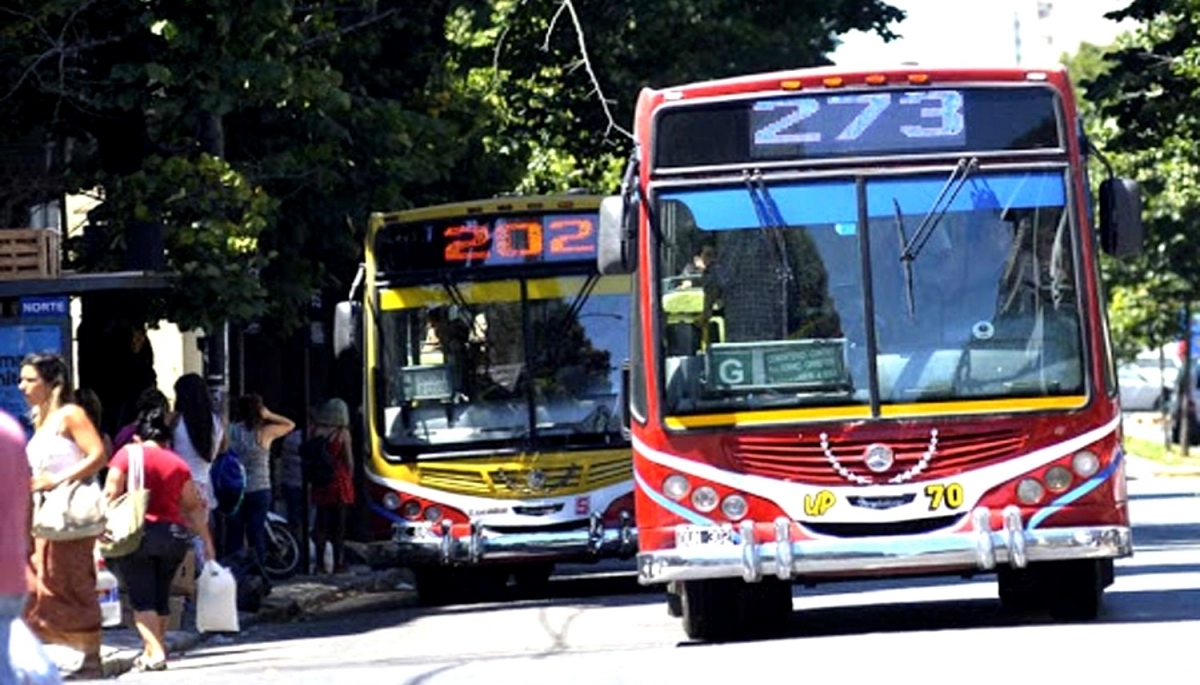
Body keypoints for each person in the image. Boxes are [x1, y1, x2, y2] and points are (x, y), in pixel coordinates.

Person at [103, 402, 216, 672]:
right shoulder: (178, 464)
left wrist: (100, 525)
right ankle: (155, 650)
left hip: (138, 534)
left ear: (137, 436)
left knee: (142, 598)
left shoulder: (126, 454)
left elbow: (110, 492)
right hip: (175, 537)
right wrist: (207, 542)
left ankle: (154, 653)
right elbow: (192, 507)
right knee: (161, 596)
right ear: (167, 439)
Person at [18, 352, 108, 679]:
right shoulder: (39, 419)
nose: (22, 386)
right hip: (41, 517)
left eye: (30, 380)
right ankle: (39, 657)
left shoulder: (70, 414)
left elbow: (98, 455)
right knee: (42, 586)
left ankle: (90, 658)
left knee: (71, 583)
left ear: (51, 383)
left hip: (67, 516)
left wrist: (55, 480)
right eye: (22, 379)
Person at [225, 394, 294, 566]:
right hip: (259, 487)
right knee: (256, 534)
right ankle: (259, 572)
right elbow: (290, 425)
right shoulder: (264, 432)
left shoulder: (231, 430)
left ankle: (236, 573)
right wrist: (269, 415)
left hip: (236, 488)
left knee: (235, 535)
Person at [171, 374, 225, 565]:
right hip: (203, 487)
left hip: (179, 487)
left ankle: (182, 584)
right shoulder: (215, 423)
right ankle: (202, 581)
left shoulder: (176, 421)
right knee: (200, 539)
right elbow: (219, 451)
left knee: (178, 539)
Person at [309, 399, 356, 574]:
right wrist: (350, 478)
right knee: (339, 527)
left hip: (320, 483)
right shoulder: (342, 433)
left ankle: (320, 564)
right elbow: (348, 461)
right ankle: (338, 563)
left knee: (321, 525)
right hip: (338, 482)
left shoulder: (315, 430)